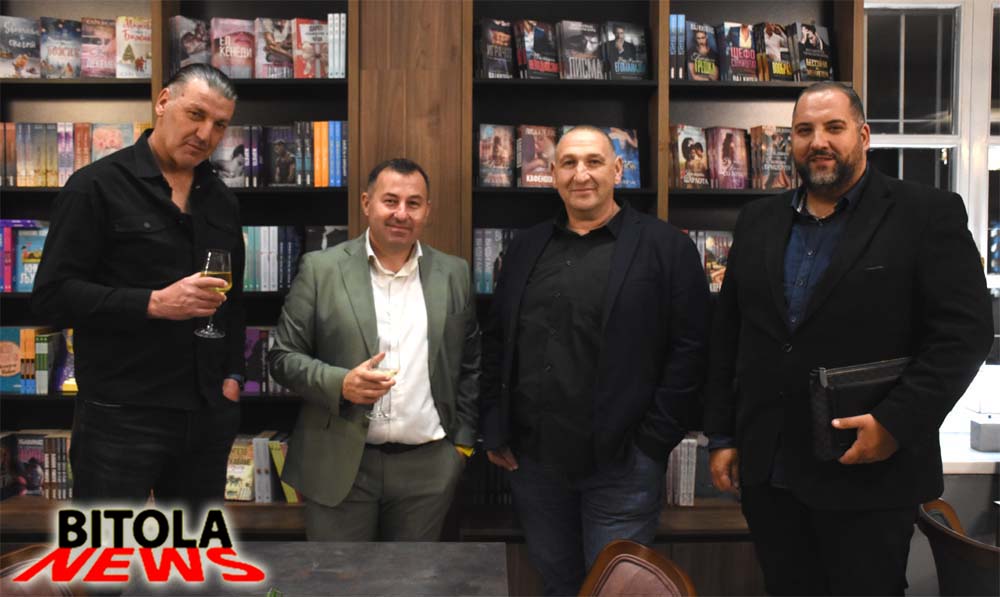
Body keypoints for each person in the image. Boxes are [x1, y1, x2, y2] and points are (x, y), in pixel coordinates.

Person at [703, 82, 994, 596]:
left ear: (863, 136)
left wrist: (895, 423)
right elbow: (730, 334)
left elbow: (964, 334)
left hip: (870, 470)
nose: (818, 141)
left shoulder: (926, 213)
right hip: (771, 474)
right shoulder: (757, 221)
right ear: (790, 141)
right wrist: (723, 436)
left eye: (833, 127)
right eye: (804, 130)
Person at [481, 126, 710, 595]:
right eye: (568, 163)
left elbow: (691, 350)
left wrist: (652, 444)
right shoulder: (525, 247)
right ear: (552, 174)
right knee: (559, 585)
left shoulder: (666, 247)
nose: (580, 174)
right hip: (536, 464)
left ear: (618, 170)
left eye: (594, 162)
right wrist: (495, 425)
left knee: (614, 590)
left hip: (622, 465)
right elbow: (498, 339)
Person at [32, 64, 245, 505]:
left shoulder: (221, 200)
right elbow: (52, 297)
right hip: (119, 417)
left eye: (220, 124)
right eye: (196, 114)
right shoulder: (95, 186)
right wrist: (153, 303)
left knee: (195, 548)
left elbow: (233, 301)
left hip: (205, 416)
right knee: (108, 548)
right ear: (163, 102)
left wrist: (233, 377)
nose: (205, 134)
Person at [268, 158, 480, 541]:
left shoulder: (454, 273)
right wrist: (341, 383)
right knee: (340, 575)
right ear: (367, 203)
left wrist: (460, 447)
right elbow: (282, 357)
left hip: (429, 468)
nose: (401, 213)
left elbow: (470, 362)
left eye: (413, 203)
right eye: (390, 201)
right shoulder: (320, 269)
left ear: (427, 211)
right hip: (338, 462)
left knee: (412, 576)